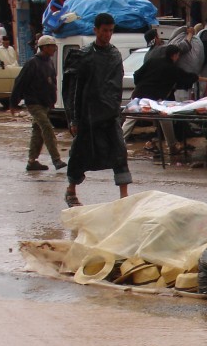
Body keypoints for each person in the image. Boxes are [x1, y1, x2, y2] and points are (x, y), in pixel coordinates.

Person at [62, 13, 131, 208]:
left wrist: (117, 112)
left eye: (110, 31)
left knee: (119, 152)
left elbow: (116, 86)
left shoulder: (115, 54)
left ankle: (124, 198)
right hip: (88, 115)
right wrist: (73, 119)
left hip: (109, 115)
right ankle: (71, 190)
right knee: (80, 153)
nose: (108, 34)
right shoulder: (83, 56)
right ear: (96, 30)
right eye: (104, 31)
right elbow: (72, 89)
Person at [131, 43, 199, 157]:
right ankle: (171, 146)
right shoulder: (171, 68)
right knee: (164, 119)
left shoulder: (152, 61)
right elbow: (184, 77)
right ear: (175, 55)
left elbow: (137, 74)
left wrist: (140, 85)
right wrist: (196, 77)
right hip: (153, 101)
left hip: (137, 95)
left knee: (130, 119)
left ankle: (120, 143)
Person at [10, 34, 66, 172]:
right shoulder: (32, 63)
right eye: (52, 46)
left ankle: (32, 161)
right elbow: (20, 82)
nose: (54, 49)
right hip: (34, 103)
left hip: (45, 103)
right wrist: (13, 103)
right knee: (46, 128)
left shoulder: (49, 62)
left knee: (38, 131)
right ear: (44, 47)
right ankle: (56, 159)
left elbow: (51, 83)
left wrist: (52, 101)